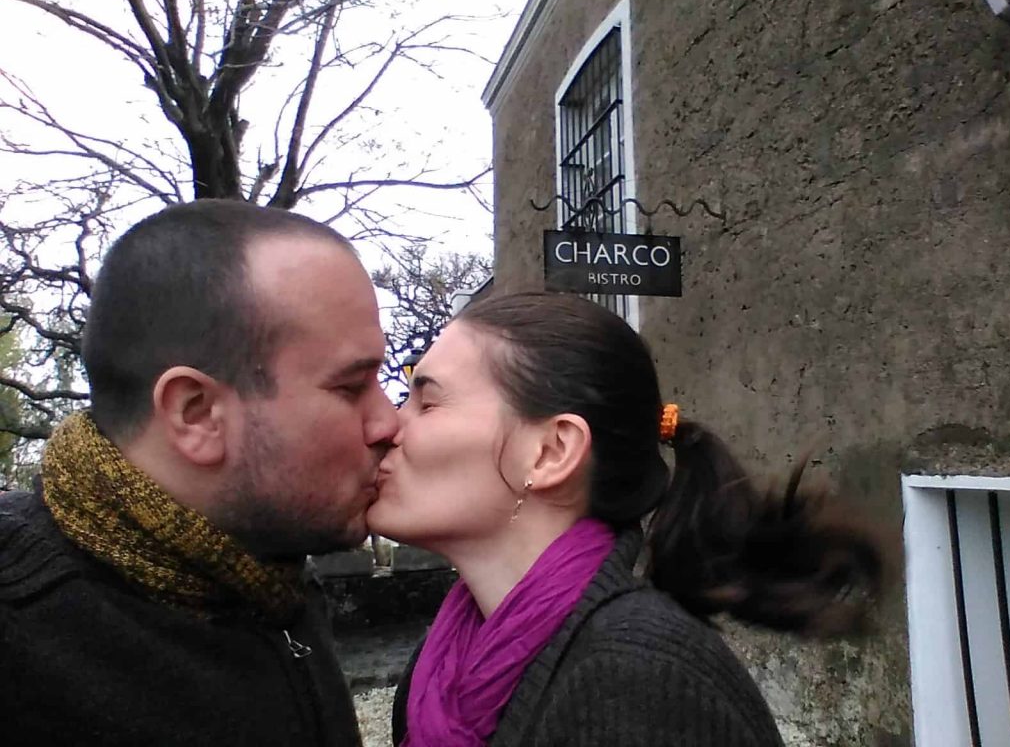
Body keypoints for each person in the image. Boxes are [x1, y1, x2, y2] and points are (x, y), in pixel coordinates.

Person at [369, 292, 891, 747]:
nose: (389, 423)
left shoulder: (640, 680)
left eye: (427, 401)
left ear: (550, 451)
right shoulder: (441, 667)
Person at [0, 200, 398, 745]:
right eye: (351, 388)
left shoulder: (263, 570)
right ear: (196, 414)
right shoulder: (25, 644)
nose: (389, 423)